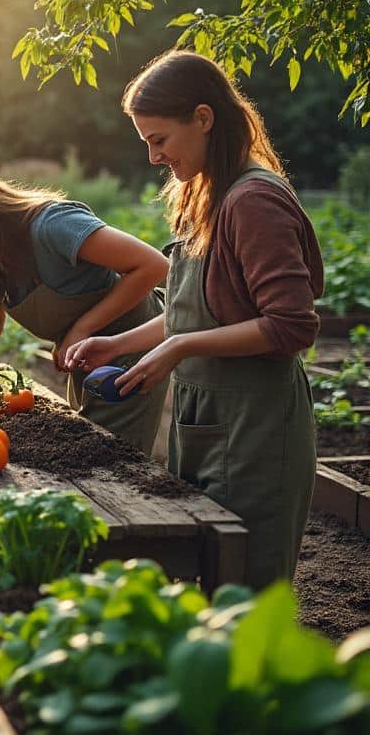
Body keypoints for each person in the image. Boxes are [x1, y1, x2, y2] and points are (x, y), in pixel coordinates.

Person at [67, 50, 323, 589]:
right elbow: (192, 314)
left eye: (160, 139)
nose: (155, 157)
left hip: (255, 424)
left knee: (245, 592)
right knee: (204, 582)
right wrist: (117, 345)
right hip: (203, 419)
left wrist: (179, 350)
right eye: (147, 144)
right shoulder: (203, 196)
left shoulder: (253, 200)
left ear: (203, 118)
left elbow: (292, 326)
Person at [0, 165, 170, 454]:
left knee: (114, 462)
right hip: (84, 359)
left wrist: (82, 328)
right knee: (85, 452)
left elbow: (153, 266)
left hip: (132, 351)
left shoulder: (54, 225)